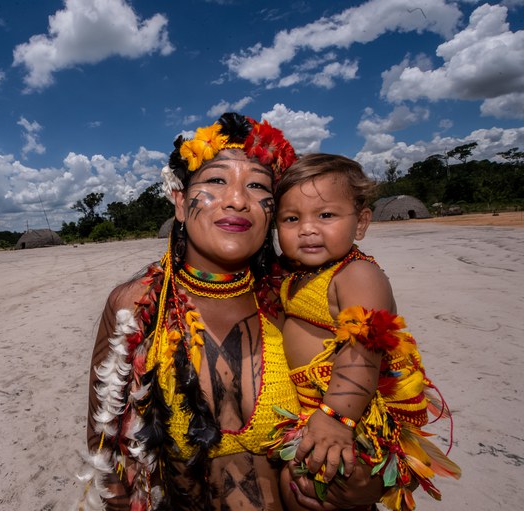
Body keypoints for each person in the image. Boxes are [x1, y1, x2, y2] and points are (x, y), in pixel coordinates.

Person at [80, 115, 384, 511]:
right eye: (216, 181)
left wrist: (366, 487)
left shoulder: (293, 302)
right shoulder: (135, 306)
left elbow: (370, 413)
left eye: (256, 185)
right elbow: (106, 453)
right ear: (180, 203)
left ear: (272, 211)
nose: (238, 199)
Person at [270, 153, 461, 511]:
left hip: (349, 412)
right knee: (300, 485)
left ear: (360, 223)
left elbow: (364, 350)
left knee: (322, 487)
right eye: (291, 218)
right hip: (315, 410)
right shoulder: (299, 273)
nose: (307, 228)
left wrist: (337, 418)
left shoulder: (357, 275)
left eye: (326, 215)